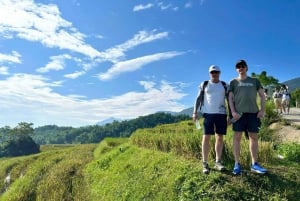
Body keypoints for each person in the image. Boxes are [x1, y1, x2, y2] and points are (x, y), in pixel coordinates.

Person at [228, 59, 267, 175]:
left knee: (253, 137)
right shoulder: (233, 82)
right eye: (238, 66)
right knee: (237, 138)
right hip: (239, 114)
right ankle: (236, 164)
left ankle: (254, 164)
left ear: (246, 68)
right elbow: (230, 98)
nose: (241, 68)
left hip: (253, 114)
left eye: (242, 66)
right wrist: (233, 112)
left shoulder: (255, 81)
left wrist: (262, 110)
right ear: (236, 69)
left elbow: (262, 96)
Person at [193, 65, 228, 174]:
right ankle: (205, 163)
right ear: (209, 73)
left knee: (219, 137)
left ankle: (218, 162)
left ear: (220, 73)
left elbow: (231, 99)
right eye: (212, 72)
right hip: (208, 114)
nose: (215, 74)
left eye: (216, 72)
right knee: (206, 137)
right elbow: (198, 98)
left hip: (221, 114)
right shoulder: (205, 84)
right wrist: (195, 112)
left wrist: (232, 114)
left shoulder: (224, 85)